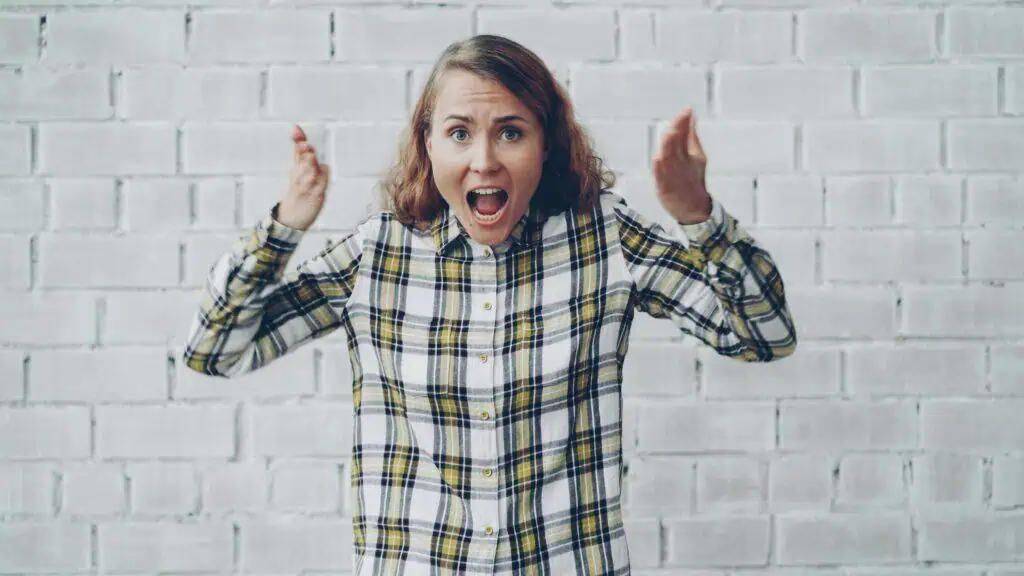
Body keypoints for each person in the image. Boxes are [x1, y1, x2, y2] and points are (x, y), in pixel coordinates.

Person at [182, 34, 797, 575]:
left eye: (510, 132)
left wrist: (697, 215)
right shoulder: (378, 252)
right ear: (428, 145)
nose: (483, 160)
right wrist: (284, 226)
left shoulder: (604, 238)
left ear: (546, 144)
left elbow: (764, 336)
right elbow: (214, 351)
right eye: (459, 133)